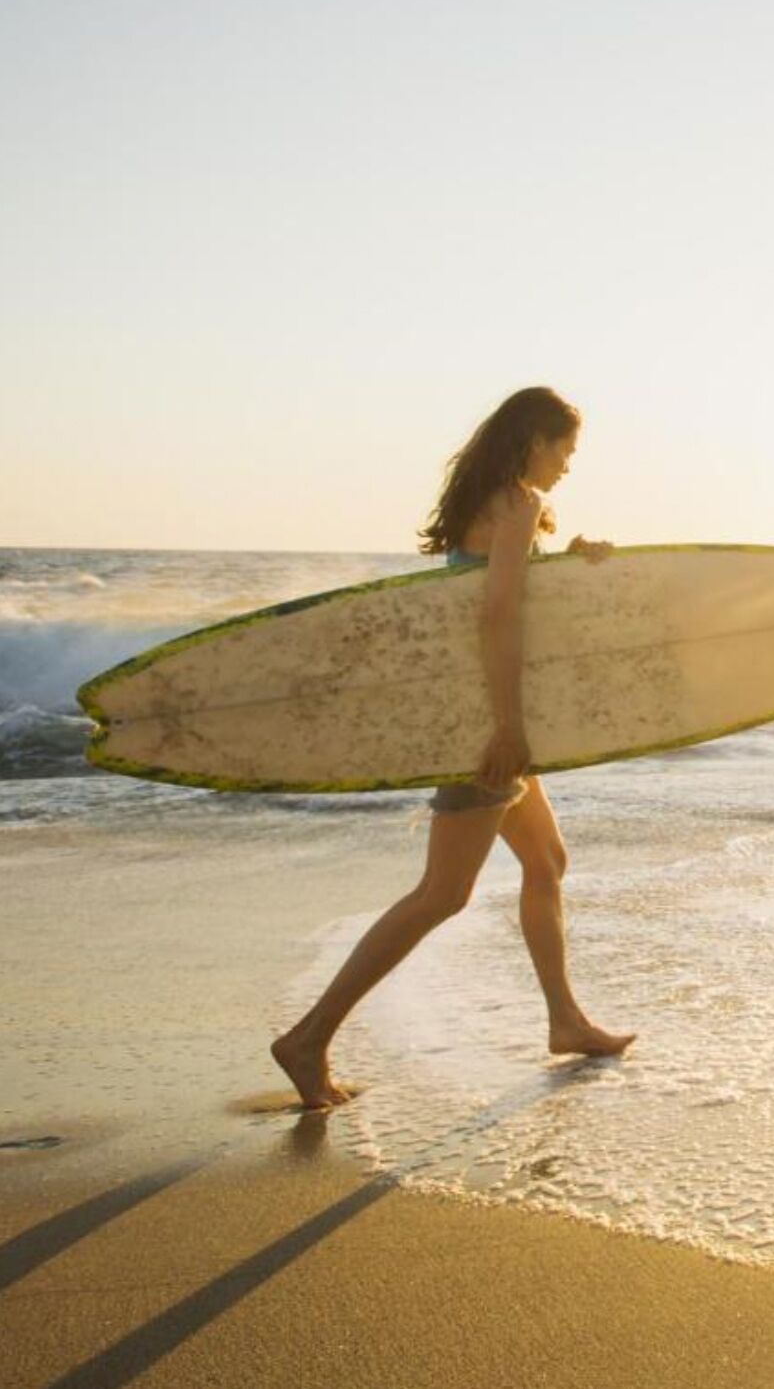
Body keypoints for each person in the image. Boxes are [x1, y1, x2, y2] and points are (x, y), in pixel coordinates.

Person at [272, 386, 635, 1110]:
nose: (568, 464)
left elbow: (502, 593)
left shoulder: (493, 502)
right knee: (443, 893)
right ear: (536, 439)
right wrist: (507, 727)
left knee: (546, 861)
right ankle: (308, 1038)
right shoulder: (520, 501)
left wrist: (571, 564)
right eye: (565, 448)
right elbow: (497, 616)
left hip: (477, 712)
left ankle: (565, 1020)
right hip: (485, 723)